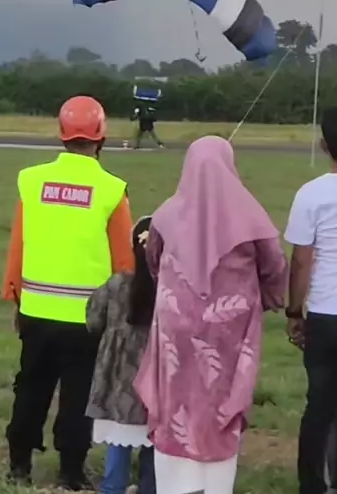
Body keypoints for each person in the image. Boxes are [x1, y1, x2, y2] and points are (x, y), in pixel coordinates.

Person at [134, 136, 287, 494]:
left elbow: (153, 260)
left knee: (175, 399)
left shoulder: (166, 214)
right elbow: (275, 266)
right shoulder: (251, 215)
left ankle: (174, 483)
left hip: (175, 327)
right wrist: (267, 299)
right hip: (228, 333)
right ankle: (215, 483)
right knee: (220, 400)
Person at [1, 95, 135, 490]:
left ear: (61, 133)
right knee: (78, 395)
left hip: (36, 310)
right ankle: (70, 473)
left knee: (31, 386)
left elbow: (18, 245)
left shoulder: (32, 180)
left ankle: (19, 467)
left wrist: (15, 295)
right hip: (87, 319)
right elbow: (124, 263)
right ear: (101, 136)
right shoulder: (111, 189)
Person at [284, 107, 337, 494]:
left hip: (323, 313)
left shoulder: (311, 194)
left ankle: (312, 485)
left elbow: (302, 261)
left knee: (318, 406)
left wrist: (293, 311)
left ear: (324, 145)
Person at [86, 216, 157, 494]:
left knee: (118, 439)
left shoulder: (116, 285)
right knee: (154, 439)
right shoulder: (170, 290)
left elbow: (93, 321)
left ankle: (113, 488)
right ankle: (150, 487)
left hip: (117, 378)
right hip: (155, 378)